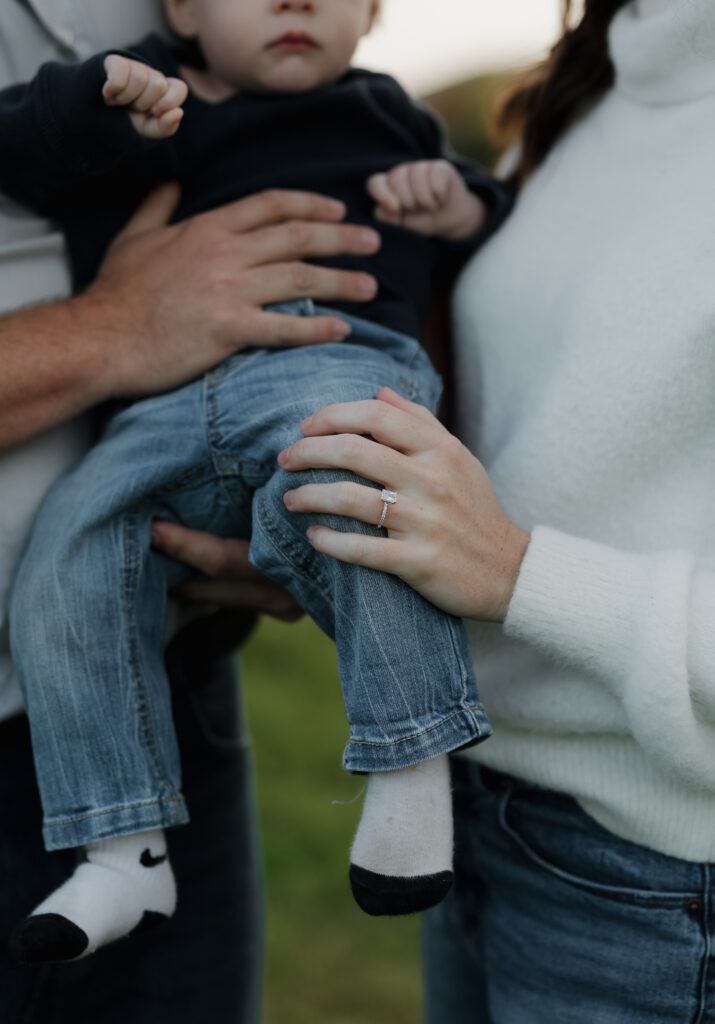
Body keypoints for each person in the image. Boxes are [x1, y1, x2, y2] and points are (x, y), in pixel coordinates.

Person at [4, 0, 513, 964]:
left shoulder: (384, 114)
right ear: (184, 8)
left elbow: (487, 224)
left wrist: (457, 206)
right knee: (68, 544)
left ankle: (410, 774)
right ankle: (120, 849)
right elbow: (22, 150)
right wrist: (94, 94)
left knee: (360, 485)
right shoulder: (148, 97)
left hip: (327, 356)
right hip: (158, 403)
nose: (293, 2)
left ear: (369, 15)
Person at [274, 0, 715, 1019]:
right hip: (475, 809)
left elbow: (510, 547)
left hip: (655, 882)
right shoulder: (594, 80)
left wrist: (522, 574)